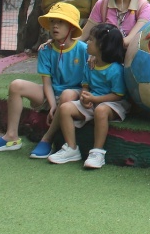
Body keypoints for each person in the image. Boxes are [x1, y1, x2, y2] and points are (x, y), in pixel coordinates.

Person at [0, 2, 88, 154]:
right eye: (52, 21)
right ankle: (11, 136)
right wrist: (52, 104)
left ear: (71, 26)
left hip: (73, 96)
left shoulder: (83, 50)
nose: (55, 26)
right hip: (52, 93)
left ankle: (47, 139)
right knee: (16, 85)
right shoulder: (45, 49)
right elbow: (47, 83)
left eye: (60, 22)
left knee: (67, 94)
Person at [43, 23, 128, 167]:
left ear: (101, 45)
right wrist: (84, 97)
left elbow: (118, 95)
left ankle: (97, 152)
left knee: (101, 111)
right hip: (93, 100)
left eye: (91, 40)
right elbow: (85, 86)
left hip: (113, 103)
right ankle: (71, 148)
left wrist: (95, 99)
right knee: (64, 108)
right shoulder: (90, 64)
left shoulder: (116, 69)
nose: (87, 42)